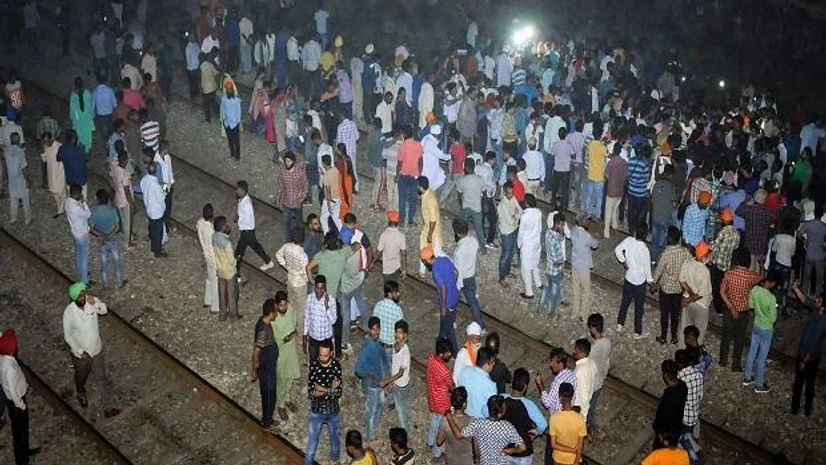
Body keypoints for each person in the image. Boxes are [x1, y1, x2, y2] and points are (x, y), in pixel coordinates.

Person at [62, 282, 120, 418]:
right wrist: (80, 351)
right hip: (82, 355)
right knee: (81, 377)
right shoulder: (69, 313)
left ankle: (108, 408)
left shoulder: (91, 301)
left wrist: (95, 303)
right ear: (74, 298)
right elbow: (68, 335)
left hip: (96, 349)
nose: (83, 298)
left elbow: (104, 310)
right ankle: (80, 392)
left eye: (84, 294)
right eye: (80, 296)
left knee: (101, 377)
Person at [443, 394, 526, 465]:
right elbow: (522, 447)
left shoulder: (479, 423)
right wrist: (510, 450)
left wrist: (449, 417)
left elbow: (458, 434)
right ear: (501, 413)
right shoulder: (508, 427)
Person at [719, 248, 764, 371]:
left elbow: (722, 291)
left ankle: (723, 360)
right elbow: (762, 276)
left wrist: (731, 307)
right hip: (743, 312)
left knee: (726, 337)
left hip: (729, 311)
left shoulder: (729, 273)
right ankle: (736, 365)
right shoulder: (750, 276)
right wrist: (761, 264)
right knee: (739, 339)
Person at [790, 281, 826, 416]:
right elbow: (805, 300)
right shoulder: (818, 311)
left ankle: (797, 408)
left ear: (823, 306)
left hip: (808, 357)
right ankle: (806, 409)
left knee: (801, 383)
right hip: (811, 355)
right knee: (809, 383)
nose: (816, 299)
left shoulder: (822, 323)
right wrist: (795, 288)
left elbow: (813, 343)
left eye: (819, 300)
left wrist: (804, 360)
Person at [304, 340, 342, 465]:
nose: (323, 358)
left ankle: (334, 461)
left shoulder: (336, 366)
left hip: (333, 411)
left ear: (331, 353)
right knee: (311, 445)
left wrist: (321, 389)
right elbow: (310, 393)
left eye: (325, 355)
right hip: (317, 411)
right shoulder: (314, 366)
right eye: (321, 355)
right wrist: (330, 389)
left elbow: (338, 393)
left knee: (335, 441)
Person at [742, 270, 780, 393]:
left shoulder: (755, 290)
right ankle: (759, 384)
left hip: (756, 324)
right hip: (766, 329)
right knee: (762, 357)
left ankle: (747, 377)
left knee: (752, 351)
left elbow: (751, 305)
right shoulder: (771, 298)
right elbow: (773, 318)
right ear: (773, 283)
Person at [652, 227, 691, 344]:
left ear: (669, 238)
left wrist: (654, 283)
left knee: (664, 314)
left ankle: (663, 336)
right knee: (675, 314)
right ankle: (674, 336)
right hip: (679, 288)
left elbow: (659, 270)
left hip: (666, 289)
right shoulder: (685, 252)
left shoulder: (666, 253)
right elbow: (690, 262)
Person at [615, 224, 653, 338]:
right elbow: (647, 270)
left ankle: (620, 324)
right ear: (645, 235)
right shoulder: (645, 250)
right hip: (640, 282)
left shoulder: (629, 240)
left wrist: (624, 261)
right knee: (639, 307)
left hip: (629, 278)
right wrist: (651, 282)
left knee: (625, 302)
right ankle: (637, 331)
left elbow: (617, 250)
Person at [503, 368, 547, 465]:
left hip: (505, 449)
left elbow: (485, 411)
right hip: (524, 452)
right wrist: (536, 432)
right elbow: (543, 425)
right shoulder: (529, 404)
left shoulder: (502, 398)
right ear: (525, 387)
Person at [421, 246, 459, 355]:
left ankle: (455, 352)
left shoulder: (435, 270)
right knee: (446, 324)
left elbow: (443, 289)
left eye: (424, 261)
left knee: (449, 329)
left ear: (426, 260)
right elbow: (456, 272)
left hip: (448, 303)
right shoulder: (444, 259)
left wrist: (443, 307)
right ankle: (441, 337)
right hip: (455, 296)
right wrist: (453, 286)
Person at [269, 290, 300, 422]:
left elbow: (294, 322)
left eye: (285, 305)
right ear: (276, 305)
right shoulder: (274, 319)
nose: (284, 308)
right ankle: (280, 406)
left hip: (291, 350)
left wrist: (291, 335)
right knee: (282, 379)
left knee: (291, 377)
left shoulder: (291, 310)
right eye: (281, 306)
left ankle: (286, 399)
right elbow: (279, 339)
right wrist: (291, 335)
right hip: (281, 353)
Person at [372, 281, 404, 403]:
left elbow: (374, 325)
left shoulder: (378, 305)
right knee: (393, 373)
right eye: (396, 292)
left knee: (382, 370)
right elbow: (400, 332)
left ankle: (384, 394)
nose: (398, 294)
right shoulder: (397, 310)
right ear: (390, 294)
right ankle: (392, 400)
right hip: (391, 347)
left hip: (379, 344)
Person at [251, 298, 280, 431]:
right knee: (269, 395)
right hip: (266, 368)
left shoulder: (264, 322)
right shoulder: (263, 330)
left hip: (269, 366)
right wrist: (254, 369)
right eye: (276, 310)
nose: (277, 313)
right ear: (271, 313)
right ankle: (266, 424)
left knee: (270, 395)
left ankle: (268, 418)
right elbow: (257, 351)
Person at [355, 317, 385, 441]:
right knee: (372, 409)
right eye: (373, 329)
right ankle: (370, 437)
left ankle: (372, 426)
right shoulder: (369, 347)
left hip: (378, 382)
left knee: (380, 404)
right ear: (369, 330)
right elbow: (357, 369)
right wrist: (370, 376)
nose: (376, 332)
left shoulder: (375, 342)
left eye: (378, 329)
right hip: (372, 384)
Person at [234, 180, 275, 272]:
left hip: (246, 231)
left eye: (237, 189)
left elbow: (247, 220)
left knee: (238, 253)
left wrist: (238, 219)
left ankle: (237, 274)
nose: (236, 191)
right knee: (256, 247)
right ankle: (268, 261)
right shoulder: (242, 200)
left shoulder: (247, 205)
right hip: (248, 232)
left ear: (242, 190)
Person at [89, 189, 125, 289]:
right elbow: (117, 227)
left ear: (97, 199)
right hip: (112, 238)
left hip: (101, 240)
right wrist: (109, 236)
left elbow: (91, 229)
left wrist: (102, 236)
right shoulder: (112, 210)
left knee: (103, 262)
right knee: (117, 261)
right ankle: (119, 283)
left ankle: (105, 284)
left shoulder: (93, 211)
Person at [453, 219, 485, 328]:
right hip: (471, 275)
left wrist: (458, 286)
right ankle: (481, 326)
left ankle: (453, 321)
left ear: (457, 233)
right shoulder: (474, 241)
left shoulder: (459, 251)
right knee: (473, 302)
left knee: (453, 301)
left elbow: (459, 271)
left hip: (463, 278)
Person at [679, 241, 712, 345]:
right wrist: (691, 298)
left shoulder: (688, 263)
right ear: (703, 256)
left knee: (685, 328)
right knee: (699, 332)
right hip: (701, 305)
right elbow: (701, 294)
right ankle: (695, 354)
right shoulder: (705, 271)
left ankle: (682, 349)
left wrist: (689, 294)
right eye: (708, 254)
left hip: (688, 302)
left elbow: (681, 280)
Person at [276, 226, 309, 327]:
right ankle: (300, 331)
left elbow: (278, 255)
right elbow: (305, 271)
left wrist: (286, 266)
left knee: (291, 304)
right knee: (301, 309)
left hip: (290, 279)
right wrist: (306, 279)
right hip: (300, 284)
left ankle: (290, 323)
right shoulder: (303, 255)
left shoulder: (287, 246)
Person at [710, 209, 740, 315]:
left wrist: (708, 244)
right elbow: (736, 247)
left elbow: (714, 246)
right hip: (727, 264)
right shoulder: (737, 232)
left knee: (716, 286)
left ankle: (718, 309)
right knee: (724, 286)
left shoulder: (723, 232)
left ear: (725, 220)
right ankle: (724, 305)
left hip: (718, 263)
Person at [570, 216, 600, 321]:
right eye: (588, 220)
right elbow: (595, 245)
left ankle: (574, 312)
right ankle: (583, 315)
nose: (589, 222)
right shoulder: (586, 236)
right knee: (586, 290)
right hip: (583, 266)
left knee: (575, 288)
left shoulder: (573, 230)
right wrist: (596, 239)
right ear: (583, 222)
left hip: (574, 264)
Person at [586, 314, 611, 442]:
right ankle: (591, 433)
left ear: (593, 328)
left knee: (589, 410)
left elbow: (588, 367)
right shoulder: (607, 342)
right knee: (591, 407)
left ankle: (597, 431)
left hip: (592, 384)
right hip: (600, 381)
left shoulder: (594, 348)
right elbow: (607, 363)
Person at [548, 383, 586, 465]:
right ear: (572, 397)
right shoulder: (580, 419)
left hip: (558, 458)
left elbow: (553, 444)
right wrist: (576, 460)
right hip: (573, 459)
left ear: (560, 397)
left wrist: (570, 449)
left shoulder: (554, 418)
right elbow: (580, 446)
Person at [653, 360, 687, 448]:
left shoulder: (669, 399)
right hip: (677, 427)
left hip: (667, 434)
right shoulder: (682, 386)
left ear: (665, 376)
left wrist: (661, 434)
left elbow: (663, 418)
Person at [275, 152, 308, 242]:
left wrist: (300, 201)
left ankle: (301, 241)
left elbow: (305, 188)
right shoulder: (283, 173)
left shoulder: (300, 172)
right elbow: (280, 186)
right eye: (286, 161)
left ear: (293, 161)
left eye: (289, 161)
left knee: (299, 224)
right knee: (286, 224)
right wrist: (277, 199)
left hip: (297, 204)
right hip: (286, 203)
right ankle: (288, 242)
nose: (287, 163)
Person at [457, 347, 498, 419]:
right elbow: (490, 412)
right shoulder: (491, 385)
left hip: (462, 417)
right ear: (486, 364)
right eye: (493, 362)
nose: (494, 364)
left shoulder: (464, 371)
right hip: (478, 424)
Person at [212, 216, 240, 320]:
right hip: (229, 271)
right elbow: (231, 260)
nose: (227, 226)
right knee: (232, 294)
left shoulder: (214, 237)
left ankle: (222, 314)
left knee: (222, 294)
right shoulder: (227, 243)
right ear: (221, 227)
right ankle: (233, 315)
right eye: (225, 224)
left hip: (220, 270)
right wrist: (236, 259)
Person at [385, 320, 411, 432]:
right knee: (392, 394)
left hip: (401, 384)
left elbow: (400, 373)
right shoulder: (396, 345)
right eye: (396, 332)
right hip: (395, 381)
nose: (397, 335)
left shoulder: (405, 352)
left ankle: (404, 429)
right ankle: (391, 404)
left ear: (405, 335)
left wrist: (387, 380)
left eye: (400, 332)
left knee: (402, 410)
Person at [436, 387, 473, 465]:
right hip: (466, 461)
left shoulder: (445, 419)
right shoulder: (471, 421)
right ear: (464, 404)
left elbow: (439, 442)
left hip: (451, 460)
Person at [536, 347, 577, 415]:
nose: (551, 365)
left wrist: (540, 384)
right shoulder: (572, 374)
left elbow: (547, 403)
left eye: (553, 362)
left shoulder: (558, 381)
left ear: (560, 364)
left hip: (559, 415)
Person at [64, 184, 91, 284]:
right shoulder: (77, 208)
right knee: (84, 258)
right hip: (82, 234)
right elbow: (88, 214)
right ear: (78, 194)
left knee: (78, 255)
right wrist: (84, 203)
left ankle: (80, 273)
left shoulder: (67, 202)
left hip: (75, 232)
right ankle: (84, 281)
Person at [497, 180, 521, 287]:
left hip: (514, 230)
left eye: (512, 193)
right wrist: (515, 215)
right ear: (505, 193)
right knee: (505, 255)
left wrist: (515, 215)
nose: (512, 196)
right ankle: (502, 277)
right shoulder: (502, 205)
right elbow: (511, 221)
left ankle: (507, 273)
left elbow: (520, 211)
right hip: (506, 233)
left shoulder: (513, 198)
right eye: (509, 193)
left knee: (511, 253)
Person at [140, 162, 167, 258]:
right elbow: (161, 197)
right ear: (155, 171)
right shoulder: (155, 185)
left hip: (149, 209)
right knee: (158, 232)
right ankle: (157, 250)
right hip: (157, 211)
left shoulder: (144, 180)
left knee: (152, 229)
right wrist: (164, 190)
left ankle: (153, 247)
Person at [518, 195, 543, 300]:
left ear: (527, 203)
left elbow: (521, 233)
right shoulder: (539, 212)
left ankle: (529, 292)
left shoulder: (524, 216)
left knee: (526, 269)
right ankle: (539, 283)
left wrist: (519, 245)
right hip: (537, 243)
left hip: (527, 245)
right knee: (535, 264)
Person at [419, 176, 444, 276]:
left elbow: (433, 220)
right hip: (428, 228)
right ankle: (422, 272)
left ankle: (447, 267)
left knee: (437, 252)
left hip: (432, 231)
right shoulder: (427, 194)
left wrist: (429, 235)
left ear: (421, 187)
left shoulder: (429, 199)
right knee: (424, 249)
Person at [542, 212, 566, 315]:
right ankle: (550, 312)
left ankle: (543, 306)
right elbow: (556, 260)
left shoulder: (549, 233)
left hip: (549, 268)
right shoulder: (554, 240)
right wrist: (561, 263)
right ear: (557, 224)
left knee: (549, 287)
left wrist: (562, 233)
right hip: (555, 270)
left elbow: (559, 238)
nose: (563, 227)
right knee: (553, 292)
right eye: (562, 225)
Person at [197, 204, 219, 313]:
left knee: (209, 279)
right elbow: (212, 249)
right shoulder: (211, 231)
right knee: (215, 281)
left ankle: (208, 300)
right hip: (212, 258)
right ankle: (215, 306)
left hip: (205, 255)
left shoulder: (200, 223)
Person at [4, 133, 30, 225]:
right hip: (20, 179)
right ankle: (27, 219)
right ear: (18, 140)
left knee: (13, 200)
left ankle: (13, 218)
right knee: (25, 199)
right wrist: (28, 179)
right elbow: (24, 168)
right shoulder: (20, 152)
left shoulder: (6, 151)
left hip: (11, 179)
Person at [603, 143, 628, 239]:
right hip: (620, 190)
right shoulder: (624, 163)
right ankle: (615, 225)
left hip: (611, 189)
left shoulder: (611, 162)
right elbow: (627, 175)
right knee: (615, 208)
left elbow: (606, 175)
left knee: (608, 211)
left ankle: (606, 231)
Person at [376, 211, 407, 281]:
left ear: (388, 221)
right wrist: (404, 269)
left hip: (387, 268)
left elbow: (378, 252)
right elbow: (404, 254)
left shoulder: (384, 235)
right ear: (398, 222)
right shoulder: (401, 236)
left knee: (388, 288)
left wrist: (371, 262)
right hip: (397, 267)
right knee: (395, 286)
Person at [40, 132, 65, 217]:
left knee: (61, 192)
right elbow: (44, 160)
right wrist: (43, 149)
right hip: (51, 173)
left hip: (60, 173)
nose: (45, 143)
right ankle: (60, 208)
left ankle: (64, 208)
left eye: (46, 141)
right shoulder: (46, 147)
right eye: (44, 141)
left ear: (51, 139)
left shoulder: (59, 147)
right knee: (55, 193)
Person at [321, 154, 343, 233]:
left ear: (323, 163)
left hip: (331, 200)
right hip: (338, 198)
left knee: (323, 219)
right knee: (337, 219)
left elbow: (328, 191)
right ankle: (344, 237)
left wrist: (328, 204)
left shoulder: (326, 175)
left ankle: (327, 237)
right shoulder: (336, 170)